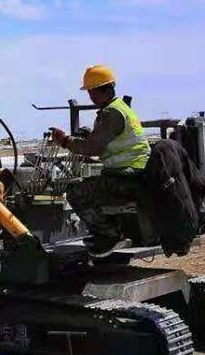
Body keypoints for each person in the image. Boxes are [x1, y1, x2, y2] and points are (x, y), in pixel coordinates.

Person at [48, 65, 151, 246]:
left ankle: (108, 235)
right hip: (136, 172)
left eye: (91, 92)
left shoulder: (112, 113)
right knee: (94, 183)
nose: (90, 97)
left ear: (103, 90)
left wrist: (64, 140)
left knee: (76, 191)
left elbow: (91, 147)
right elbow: (110, 149)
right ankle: (115, 229)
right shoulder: (121, 109)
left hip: (128, 177)